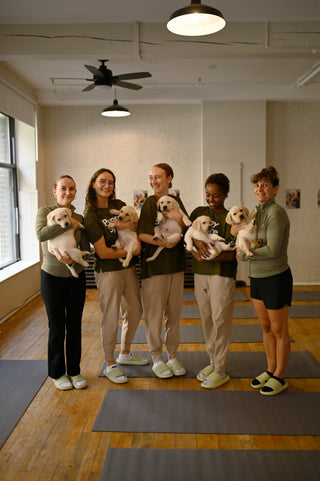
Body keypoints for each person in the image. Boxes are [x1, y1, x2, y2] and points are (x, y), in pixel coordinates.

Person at [83, 168, 148, 384]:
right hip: (108, 271)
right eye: (102, 181)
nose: (107, 186)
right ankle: (110, 363)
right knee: (110, 316)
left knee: (136, 310)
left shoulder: (119, 205)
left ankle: (125, 353)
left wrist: (130, 233)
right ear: (93, 184)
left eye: (111, 182)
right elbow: (103, 252)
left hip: (127, 269)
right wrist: (132, 251)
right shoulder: (91, 215)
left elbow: (136, 224)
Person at [239, 166, 292, 396]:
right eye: (257, 185)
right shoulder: (255, 212)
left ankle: (280, 375)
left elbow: (273, 249)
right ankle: (270, 370)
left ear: (275, 189)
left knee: (280, 330)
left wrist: (246, 252)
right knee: (266, 327)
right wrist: (244, 251)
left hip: (275, 277)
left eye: (265, 185)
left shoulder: (276, 213)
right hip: (256, 277)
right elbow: (246, 241)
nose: (260, 189)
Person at [35, 175, 89, 391]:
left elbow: (85, 245)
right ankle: (57, 373)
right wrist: (68, 223)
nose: (68, 192)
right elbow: (41, 234)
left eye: (72, 189)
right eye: (63, 188)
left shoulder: (79, 216)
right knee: (57, 327)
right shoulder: (45, 212)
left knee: (75, 326)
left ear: (75, 192)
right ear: (54, 191)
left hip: (75, 276)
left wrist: (75, 222)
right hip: (51, 277)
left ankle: (74, 371)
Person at [138, 163, 188, 378]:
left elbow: (186, 227)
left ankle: (173, 356)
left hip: (176, 266)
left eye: (158, 177)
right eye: (151, 177)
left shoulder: (176, 201)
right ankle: (157, 358)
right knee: (154, 315)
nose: (153, 181)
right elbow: (142, 235)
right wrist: (164, 244)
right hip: (155, 268)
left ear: (169, 178)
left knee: (174, 315)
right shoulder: (150, 202)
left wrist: (180, 221)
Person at [189, 173, 237, 389]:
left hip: (222, 275)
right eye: (208, 195)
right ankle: (212, 360)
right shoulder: (199, 213)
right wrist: (199, 252)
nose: (211, 199)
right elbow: (189, 237)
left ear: (225, 194)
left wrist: (215, 256)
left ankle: (220, 369)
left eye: (216, 195)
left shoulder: (231, 217)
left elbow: (235, 251)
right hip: (200, 274)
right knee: (207, 320)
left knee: (220, 321)